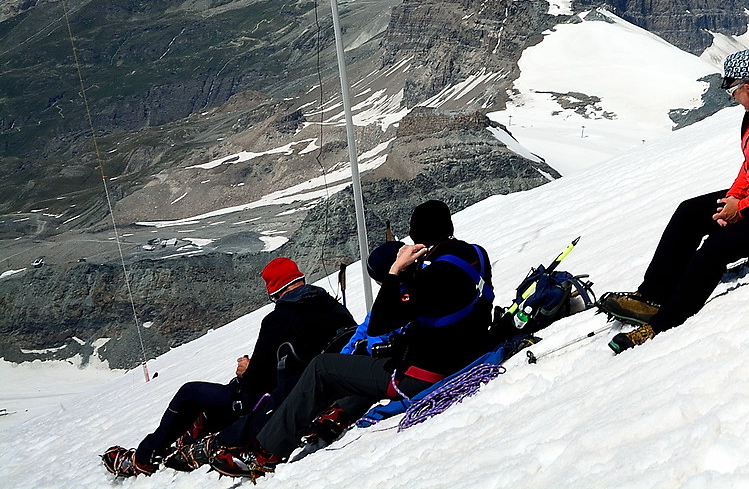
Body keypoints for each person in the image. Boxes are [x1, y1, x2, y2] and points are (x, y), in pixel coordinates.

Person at [210, 202, 492, 477]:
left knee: (323, 367)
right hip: (470, 350)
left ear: (417, 237)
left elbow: (380, 322)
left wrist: (396, 272)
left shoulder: (432, 274)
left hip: (424, 375)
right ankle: (338, 414)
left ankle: (265, 452)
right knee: (369, 362)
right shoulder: (477, 255)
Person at [598, 48, 749, 345]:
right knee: (689, 213)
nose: (731, 96)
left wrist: (741, 209)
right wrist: (732, 198)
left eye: (732, 89)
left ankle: (662, 322)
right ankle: (651, 295)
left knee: (717, 245)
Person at [100, 255, 354, 477]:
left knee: (190, 392)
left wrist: (246, 370)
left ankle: (144, 457)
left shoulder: (279, 319)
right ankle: (183, 438)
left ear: (273, 290)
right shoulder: (333, 306)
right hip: (318, 388)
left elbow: (254, 384)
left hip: (275, 397)